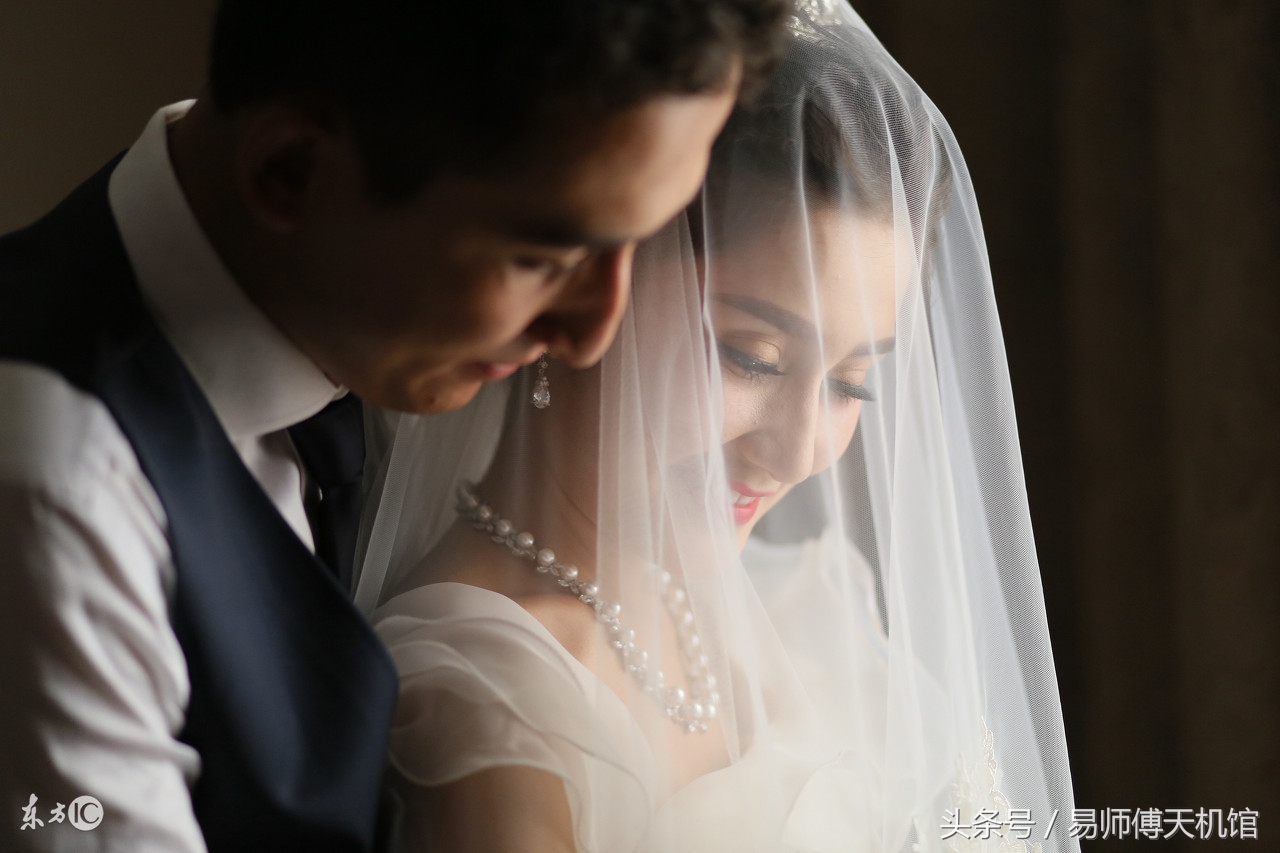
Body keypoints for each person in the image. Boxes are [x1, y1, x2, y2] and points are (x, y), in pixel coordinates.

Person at [0, 2, 790, 851]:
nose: (594, 335)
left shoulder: (365, 304)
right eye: (543, 258)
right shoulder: (59, 482)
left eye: (640, 240)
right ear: (291, 172)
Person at [356, 1, 1079, 850]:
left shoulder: (803, 605)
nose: (800, 449)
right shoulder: (482, 699)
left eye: (853, 383)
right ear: (582, 288)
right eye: (752, 357)